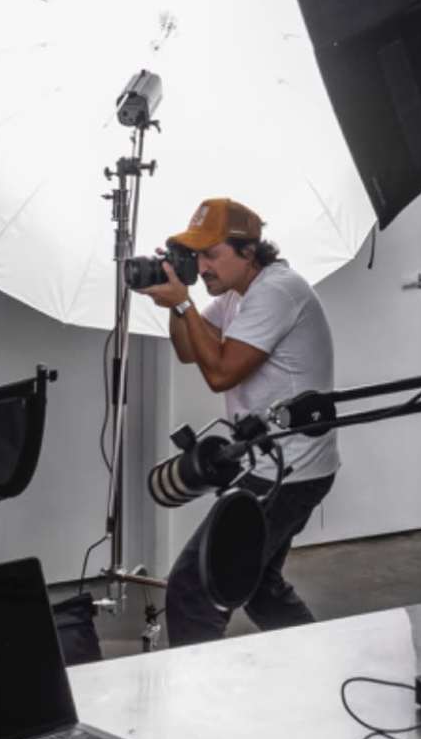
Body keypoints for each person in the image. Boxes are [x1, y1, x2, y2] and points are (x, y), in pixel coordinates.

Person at [143, 197, 337, 645]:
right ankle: (315, 668)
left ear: (248, 251)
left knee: (194, 591)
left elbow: (221, 373)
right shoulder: (237, 293)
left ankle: (196, 702)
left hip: (286, 472)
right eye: (197, 256)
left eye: (212, 254)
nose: (203, 266)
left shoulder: (276, 291)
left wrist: (185, 305)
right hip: (278, 466)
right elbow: (190, 349)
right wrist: (177, 304)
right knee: (259, 588)